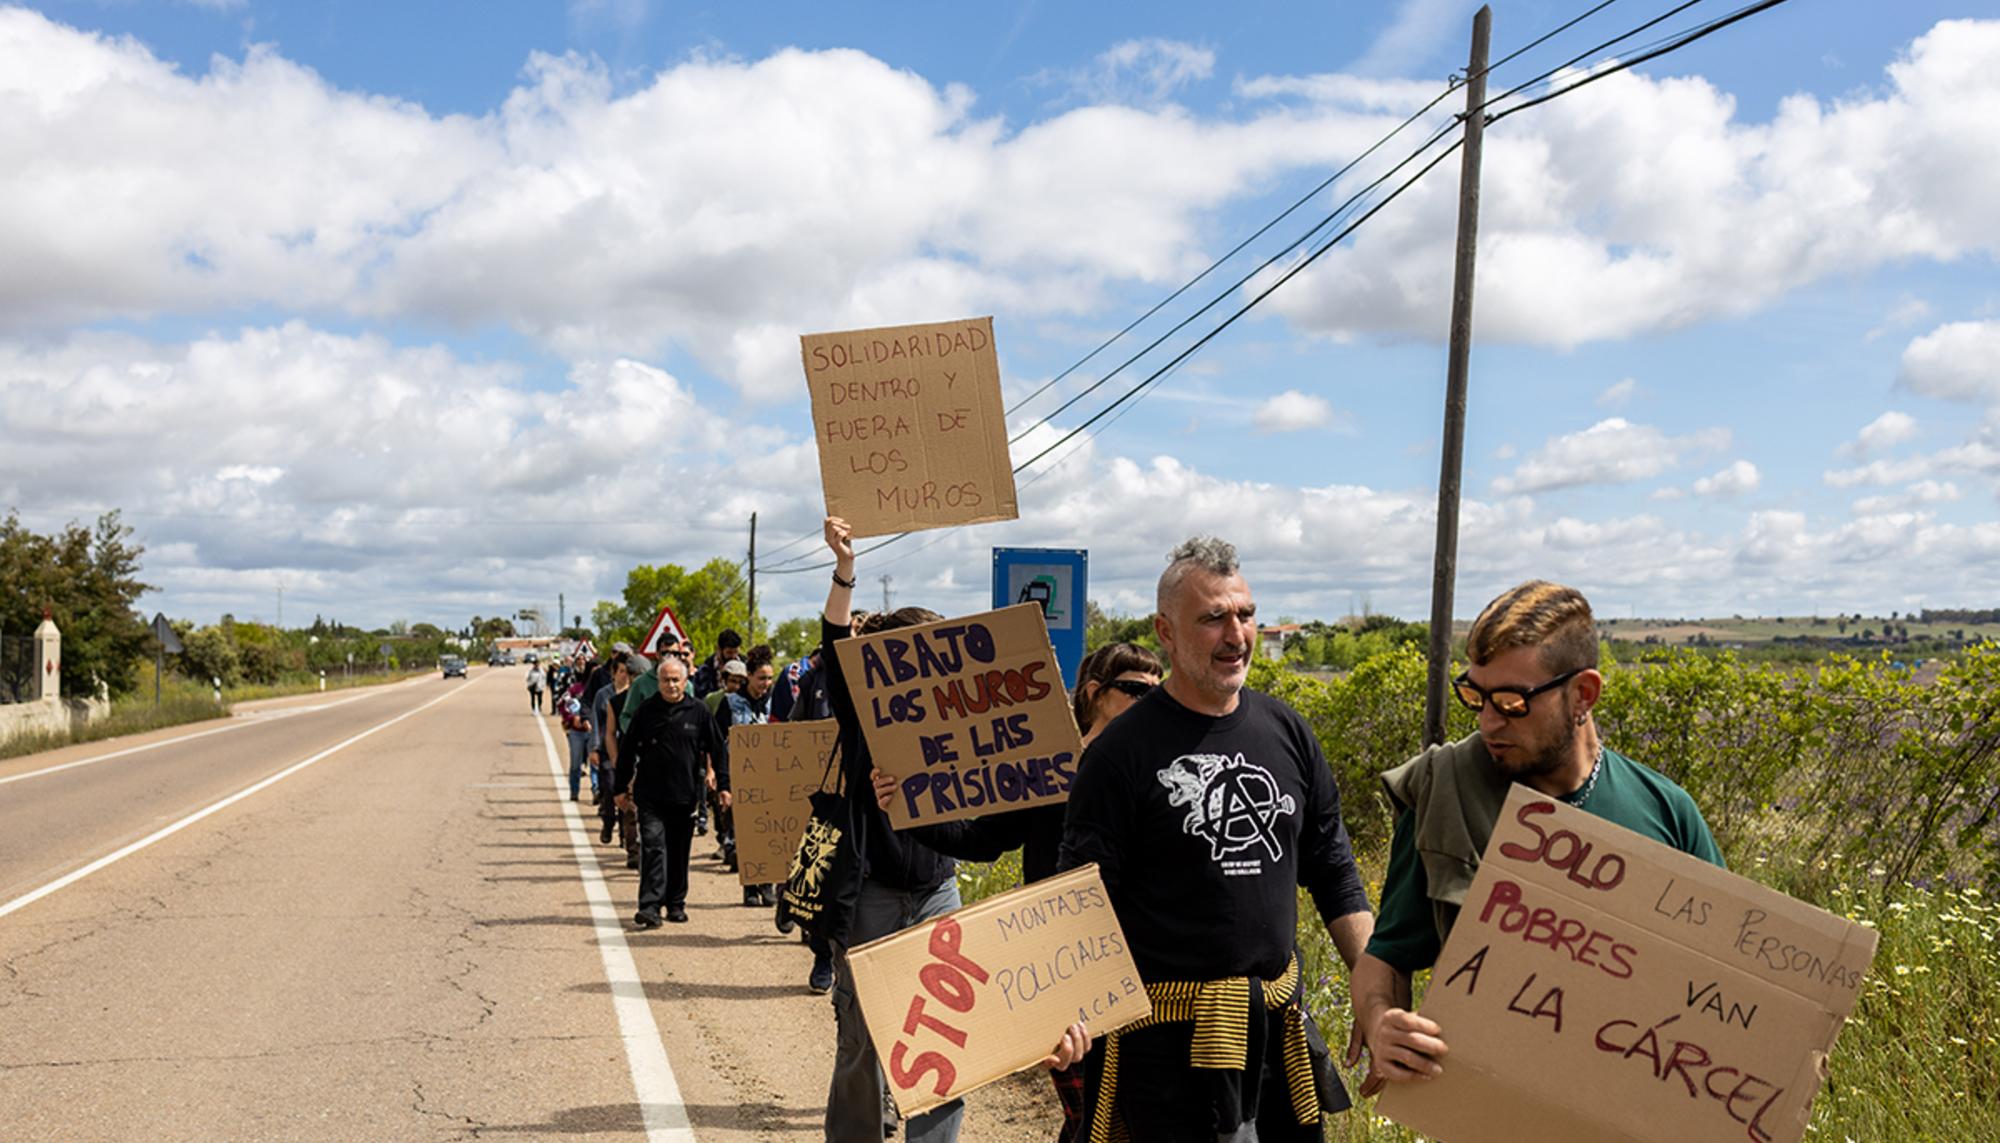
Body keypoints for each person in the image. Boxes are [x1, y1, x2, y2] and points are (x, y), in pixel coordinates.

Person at [1348, 579, 1723, 1097]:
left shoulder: (1666, 812)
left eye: (1512, 702)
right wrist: (1382, 1019)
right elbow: (1386, 953)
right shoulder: (1447, 790)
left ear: (1583, 694)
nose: (1488, 722)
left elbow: (1725, 986)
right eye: (1476, 696)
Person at [1056, 536, 1373, 1142]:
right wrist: (1065, 1010)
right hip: (1163, 1054)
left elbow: (1333, 869)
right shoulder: (1120, 756)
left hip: (1276, 1035)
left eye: (1245, 614)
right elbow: (1080, 904)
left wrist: (1373, 984)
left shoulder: (1289, 732)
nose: (1237, 635)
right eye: (1213, 619)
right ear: (1166, 632)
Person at [871, 640, 1162, 1143]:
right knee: (1087, 1114)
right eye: (1136, 690)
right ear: (1095, 693)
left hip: (1147, 969)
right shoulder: (1049, 768)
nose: (1150, 702)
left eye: (1158, 691)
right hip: (1063, 968)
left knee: (1136, 1116)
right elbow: (981, 840)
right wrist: (907, 808)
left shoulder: (1161, 769)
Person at [815, 516, 968, 1143]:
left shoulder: (963, 717)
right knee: (864, 1042)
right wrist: (845, 569)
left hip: (937, 891)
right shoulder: (861, 712)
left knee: (944, 1041)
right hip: (873, 895)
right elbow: (831, 641)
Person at [614, 653, 730, 928]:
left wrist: (724, 786)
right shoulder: (646, 711)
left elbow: (718, 749)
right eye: (665, 680)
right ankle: (650, 907)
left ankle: (676, 904)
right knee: (653, 847)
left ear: (685, 680)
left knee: (678, 852)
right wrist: (620, 788)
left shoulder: (699, 711)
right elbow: (628, 750)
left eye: (675, 680)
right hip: (650, 796)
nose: (671, 685)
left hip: (684, 795)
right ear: (658, 682)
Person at [716, 649, 780, 905]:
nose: (766, 684)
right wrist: (721, 781)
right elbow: (719, 744)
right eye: (761, 678)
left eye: (769, 678)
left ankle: (768, 885)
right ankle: (751, 886)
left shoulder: (776, 703)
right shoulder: (729, 703)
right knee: (746, 834)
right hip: (739, 777)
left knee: (770, 832)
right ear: (749, 676)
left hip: (770, 777)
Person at [590, 650, 639, 847]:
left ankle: (625, 836)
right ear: (613, 673)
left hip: (628, 750)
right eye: (621, 671)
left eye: (628, 672)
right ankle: (608, 822)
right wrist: (594, 748)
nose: (624, 675)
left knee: (629, 793)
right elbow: (596, 721)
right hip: (607, 750)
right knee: (610, 787)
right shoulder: (604, 695)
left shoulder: (635, 695)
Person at [692, 628, 743, 699]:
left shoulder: (745, 665)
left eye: (736, 652)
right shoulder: (705, 670)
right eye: (729, 653)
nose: (733, 656)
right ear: (719, 649)